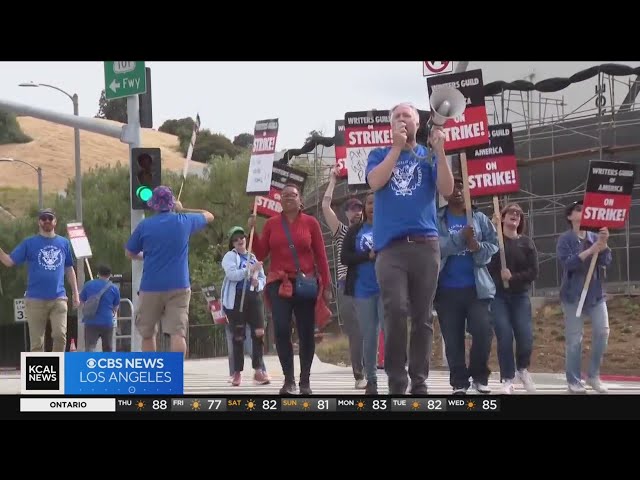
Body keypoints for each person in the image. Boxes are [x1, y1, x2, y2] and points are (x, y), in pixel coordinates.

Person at [365, 102, 454, 395]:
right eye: (397, 116)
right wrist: (396, 148)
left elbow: (447, 190)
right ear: (391, 125)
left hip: (425, 246)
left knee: (422, 316)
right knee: (395, 310)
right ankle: (396, 381)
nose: (402, 119)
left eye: (408, 116)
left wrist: (440, 151)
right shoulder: (379, 154)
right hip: (390, 249)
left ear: (418, 123)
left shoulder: (428, 155)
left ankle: (419, 380)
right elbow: (375, 182)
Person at [249, 183, 332, 395]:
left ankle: (305, 381)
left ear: (300, 199)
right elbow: (261, 253)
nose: (288, 198)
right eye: (284, 195)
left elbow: (321, 255)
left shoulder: (311, 223)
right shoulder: (272, 224)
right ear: (280, 200)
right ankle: (289, 380)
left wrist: (327, 284)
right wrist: (253, 232)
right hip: (279, 283)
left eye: (292, 195)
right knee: (281, 329)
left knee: (306, 332)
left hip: (305, 284)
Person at [125, 186, 214, 354]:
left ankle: (152, 369)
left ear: (154, 205)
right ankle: (175, 369)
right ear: (171, 203)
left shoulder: (145, 226)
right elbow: (209, 215)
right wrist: (183, 208)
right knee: (177, 333)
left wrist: (146, 256)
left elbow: (129, 252)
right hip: (179, 285)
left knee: (147, 334)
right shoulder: (184, 220)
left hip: (151, 286)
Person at [435, 177, 498, 394]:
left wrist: (477, 247)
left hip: (476, 289)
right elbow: (437, 248)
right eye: (453, 187)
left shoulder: (479, 218)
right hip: (447, 290)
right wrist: (461, 237)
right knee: (453, 341)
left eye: (462, 187)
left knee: (483, 332)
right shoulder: (437, 219)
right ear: (445, 192)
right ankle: (459, 382)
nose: (458, 191)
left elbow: (493, 246)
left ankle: (479, 375)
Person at [0, 208, 79, 352]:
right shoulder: (29, 243)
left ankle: (56, 364)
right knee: (37, 343)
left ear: (55, 221)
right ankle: (40, 366)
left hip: (59, 298)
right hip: (35, 299)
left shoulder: (63, 243)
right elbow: (9, 261)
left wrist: (75, 293)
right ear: (39, 222)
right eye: (43, 218)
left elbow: (69, 268)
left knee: (60, 335)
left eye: (50, 218)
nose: (47, 221)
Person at [557, 200, 611, 394]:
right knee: (574, 340)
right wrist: (590, 250)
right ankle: (573, 380)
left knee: (603, 332)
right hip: (573, 295)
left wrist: (603, 245)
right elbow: (568, 264)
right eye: (578, 209)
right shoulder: (565, 239)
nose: (582, 212)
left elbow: (606, 261)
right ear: (570, 216)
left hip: (595, 294)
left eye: (585, 209)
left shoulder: (595, 237)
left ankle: (593, 376)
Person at [322, 165, 366, 389]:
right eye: (351, 208)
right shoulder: (341, 232)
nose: (356, 211)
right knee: (355, 332)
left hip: (369, 284)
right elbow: (325, 206)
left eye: (359, 207)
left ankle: (370, 369)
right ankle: (359, 374)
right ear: (346, 213)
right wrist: (332, 180)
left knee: (371, 329)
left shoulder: (372, 231)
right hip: (347, 285)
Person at [488, 203, 538, 394]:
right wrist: (493, 232)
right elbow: (485, 264)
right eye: (511, 212)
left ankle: (522, 369)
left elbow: (534, 272)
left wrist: (513, 277)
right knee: (504, 335)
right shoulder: (495, 242)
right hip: (498, 297)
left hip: (520, 296)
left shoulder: (527, 243)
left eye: (518, 213)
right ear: (502, 217)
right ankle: (507, 378)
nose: (515, 214)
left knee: (525, 335)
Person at [341, 192, 384, 395]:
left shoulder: (391, 226)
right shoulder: (355, 230)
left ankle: (397, 376)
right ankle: (371, 380)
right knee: (369, 335)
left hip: (387, 288)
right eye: (369, 203)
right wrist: (367, 256)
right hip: (362, 289)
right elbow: (345, 257)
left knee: (391, 331)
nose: (372, 206)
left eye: (377, 202)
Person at [220, 225, 270, 386]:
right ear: (232, 243)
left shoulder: (253, 257)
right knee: (238, 335)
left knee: (259, 332)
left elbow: (263, 278)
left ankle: (258, 370)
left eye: (241, 237)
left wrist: (258, 283)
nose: (239, 240)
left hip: (253, 297)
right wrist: (249, 270)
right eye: (235, 239)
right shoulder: (230, 256)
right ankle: (237, 372)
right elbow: (232, 275)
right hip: (237, 299)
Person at [79, 264, 121, 352]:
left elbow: (81, 301)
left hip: (91, 321)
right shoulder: (114, 288)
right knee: (108, 349)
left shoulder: (88, 284)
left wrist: (87, 309)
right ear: (110, 275)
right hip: (107, 321)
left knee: (90, 348)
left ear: (98, 273)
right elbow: (116, 306)